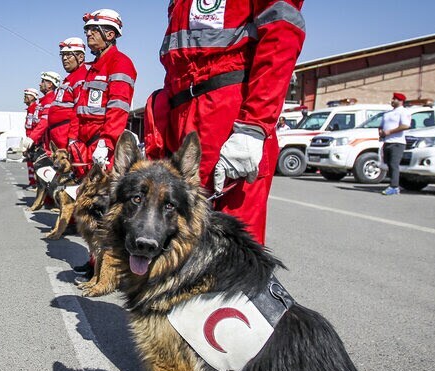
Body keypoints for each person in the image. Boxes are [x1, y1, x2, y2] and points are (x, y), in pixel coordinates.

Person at [147, 0, 305, 245]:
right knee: (180, 231)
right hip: (182, 112)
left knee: (232, 238)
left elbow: (281, 34)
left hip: (228, 112)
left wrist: (253, 126)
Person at [70, 8, 137, 173]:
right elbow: (79, 109)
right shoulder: (92, 68)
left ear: (110, 35)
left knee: (102, 188)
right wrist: (73, 140)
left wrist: (105, 143)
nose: (88, 34)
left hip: (101, 145)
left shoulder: (121, 63)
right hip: (83, 145)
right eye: (87, 30)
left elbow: (118, 109)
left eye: (94, 30)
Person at [48, 37, 88, 155]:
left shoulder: (81, 78)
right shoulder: (70, 78)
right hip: (59, 141)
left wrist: (73, 138)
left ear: (80, 57)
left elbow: (79, 111)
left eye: (69, 55)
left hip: (68, 144)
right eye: (63, 55)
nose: (64, 58)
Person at [379, 92, 411, 195]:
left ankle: (394, 186)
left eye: (395, 99)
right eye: (392, 99)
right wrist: (381, 132)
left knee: (394, 164)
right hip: (387, 141)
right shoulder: (387, 113)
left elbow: (405, 125)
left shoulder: (403, 112)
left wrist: (390, 132)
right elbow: (381, 125)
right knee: (388, 164)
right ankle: (393, 184)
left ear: (401, 101)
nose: (392, 101)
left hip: (397, 142)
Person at [23, 87, 40, 191]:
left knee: (35, 163)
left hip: (34, 141)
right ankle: (32, 182)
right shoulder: (29, 110)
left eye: (27, 95)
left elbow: (37, 126)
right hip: (29, 140)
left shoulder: (36, 109)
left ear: (33, 97)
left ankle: (36, 184)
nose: (25, 97)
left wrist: (34, 140)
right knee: (29, 162)